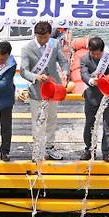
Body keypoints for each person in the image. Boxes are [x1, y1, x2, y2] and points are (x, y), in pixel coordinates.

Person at [21, 21, 70, 160]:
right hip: (37, 90)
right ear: (35, 34)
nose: (43, 40)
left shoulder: (54, 44)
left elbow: (63, 61)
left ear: (50, 34)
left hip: (53, 89)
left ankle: (49, 146)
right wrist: (36, 77)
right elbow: (24, 71)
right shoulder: (27, 48)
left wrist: (65, 72)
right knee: (38, 120)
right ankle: (37, 148)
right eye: (40, 37)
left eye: (46, 37)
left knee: (52, 119)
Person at [80, 36, 109, 163]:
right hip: (91, 96)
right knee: (89, 123)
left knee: (108, 124)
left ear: (102, 50)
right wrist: (90, 80)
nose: (95, 56)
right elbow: (83, 74)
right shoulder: (84, 59)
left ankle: (107, 152)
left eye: (97, 54)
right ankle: (89, 150)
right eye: (92, 53)